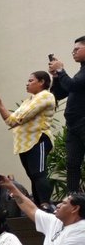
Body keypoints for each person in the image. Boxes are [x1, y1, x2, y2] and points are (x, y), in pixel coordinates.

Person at [0, 71, 57, 207]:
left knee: (39, 174)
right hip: (23, 143)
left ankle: (45, 204)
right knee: (33, 176)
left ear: (42, 82)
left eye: (31, 80)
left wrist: (15, 119)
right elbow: (10, 121)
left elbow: (22, 117)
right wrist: (0, 105)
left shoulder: (46, 96)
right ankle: (39, 205)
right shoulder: (29, 100)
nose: (27, 83)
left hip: (38, 138)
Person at [49, 37, 85, 194]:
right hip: (73, 125)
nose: (74, 52)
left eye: (77, 49)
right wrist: (56, 78)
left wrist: (61, 70)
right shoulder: (80, 72)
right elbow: (59, 93)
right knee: (72, 163)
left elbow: (72, 85)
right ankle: (72, 197)